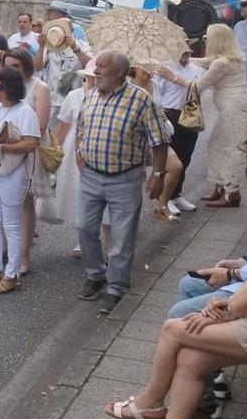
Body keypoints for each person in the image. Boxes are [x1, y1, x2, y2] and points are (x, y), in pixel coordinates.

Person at [100, 138, 247, 419]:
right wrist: (228, 300)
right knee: (190, 358)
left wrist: (228, 309)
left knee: (174, 328)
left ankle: (150, 401)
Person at [76, 50, 170, 313]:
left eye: (101, 67)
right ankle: (95, 274)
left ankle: (116, 286)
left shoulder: (141, 100)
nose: (95, 71)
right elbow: (80, 127)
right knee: (84, 227)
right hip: (91, 175)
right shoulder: (91, 96)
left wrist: (158, 176)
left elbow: (160, 141)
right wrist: (78, 152)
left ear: (119, 72)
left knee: (121, 237)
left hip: (125, 179)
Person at [0, 66, 40, 295]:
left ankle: (12, 274)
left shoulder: (25, 111)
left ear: (12, 87)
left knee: (10, 225)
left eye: (1, 86)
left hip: (12, 172)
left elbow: (31, 144)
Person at [190, 23, 247, 208]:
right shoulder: (231, 58)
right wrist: (187, 59)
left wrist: (170, 75)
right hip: (235, 108)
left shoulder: (221, 63)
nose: (206, 41)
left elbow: (198, 87)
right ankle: (221, 187)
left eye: (208, 38)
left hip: (233, 110)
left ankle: (231, 193)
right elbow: (204, 61)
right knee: (218, 145)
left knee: (229, 148)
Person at [4, 47, 52, 274]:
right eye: (8, 66)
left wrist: (11, 136)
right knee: (4, 200)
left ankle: (24, 254)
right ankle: (5, 248)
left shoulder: (39, 87)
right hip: (5, 150)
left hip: (29, 150)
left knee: (25, 201)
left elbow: (41, 126)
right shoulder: (2, 86)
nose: (11, 70)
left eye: (15, 66)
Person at [58, 61, 111, 260]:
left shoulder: (111, 97)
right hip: (75, 151)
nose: (95, 80)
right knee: (80, 196)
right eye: (91, 77)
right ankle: (84, 240)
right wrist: (54, 155)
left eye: (98, 77)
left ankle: (110, 243)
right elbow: (62, 127)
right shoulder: (74, 96)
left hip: (102, 151)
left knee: (104, 197)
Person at [127, 64, 186, 222]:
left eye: (149, 67)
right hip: (135, 137)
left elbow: (160, 105)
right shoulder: (126, 85)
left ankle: (161, 206)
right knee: (132, 180)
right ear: (134, 69)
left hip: (155, 135)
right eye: (144, 68)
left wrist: (161, 111)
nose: (148, 71)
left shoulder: (155, 85)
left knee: (176, 166)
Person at [155, 46, 206, 214]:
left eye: (187, 49)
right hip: (169, 114)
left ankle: (176, 193)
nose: (185, 52)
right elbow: (156, 93)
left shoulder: (197, 68)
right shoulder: (164, 67)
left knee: (186, 156)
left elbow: (202, 88)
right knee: (170, 159)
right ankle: (164, 197)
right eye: (181, 48)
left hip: (190, 113)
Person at [33, 17, 91, 131]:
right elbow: (37, 67)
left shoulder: (82, 45)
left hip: (74, 97)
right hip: (53, 98)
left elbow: (91, 65)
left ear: (71, 31)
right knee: (50, 133)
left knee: (71, 132)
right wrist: (41, 47)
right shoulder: (50, 46)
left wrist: (75, 48)